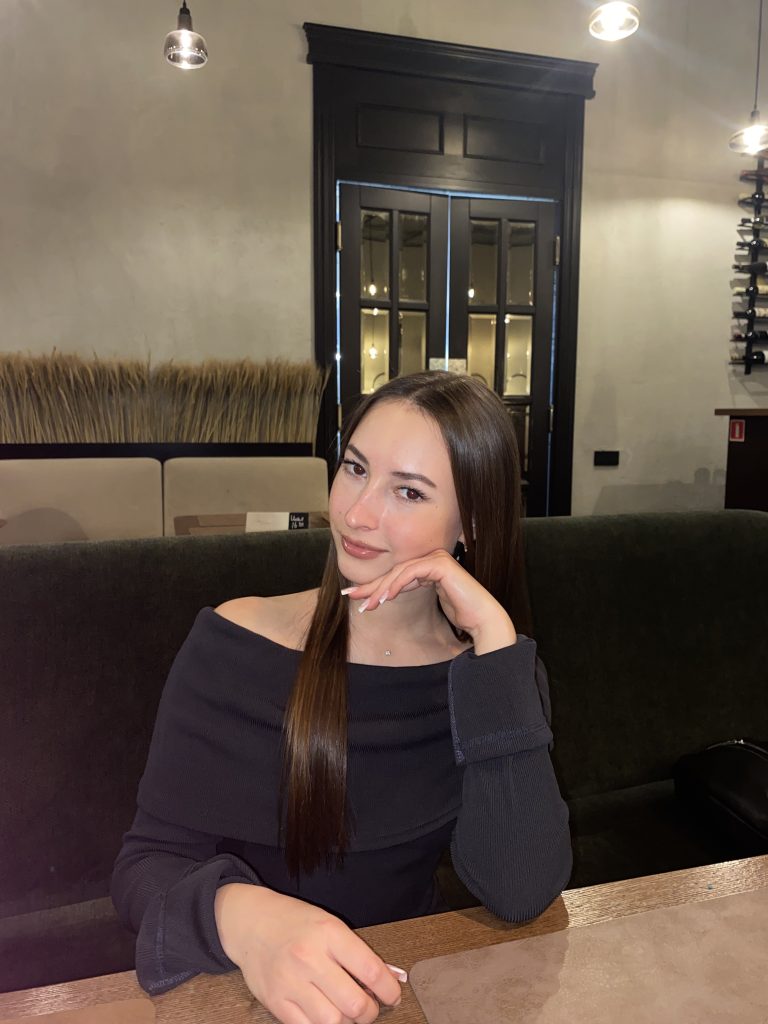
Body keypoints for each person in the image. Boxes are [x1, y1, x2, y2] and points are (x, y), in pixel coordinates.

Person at [111, 370, 572, 1024]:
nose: (356, 514)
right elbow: (144, 867)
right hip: (244, 993)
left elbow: (520, 894)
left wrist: (495, 642)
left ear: (471, 521)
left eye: (408, 491)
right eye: (355, 469)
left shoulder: (491, 675)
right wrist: (246, 918)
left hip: (400, 993)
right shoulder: (236, 643)